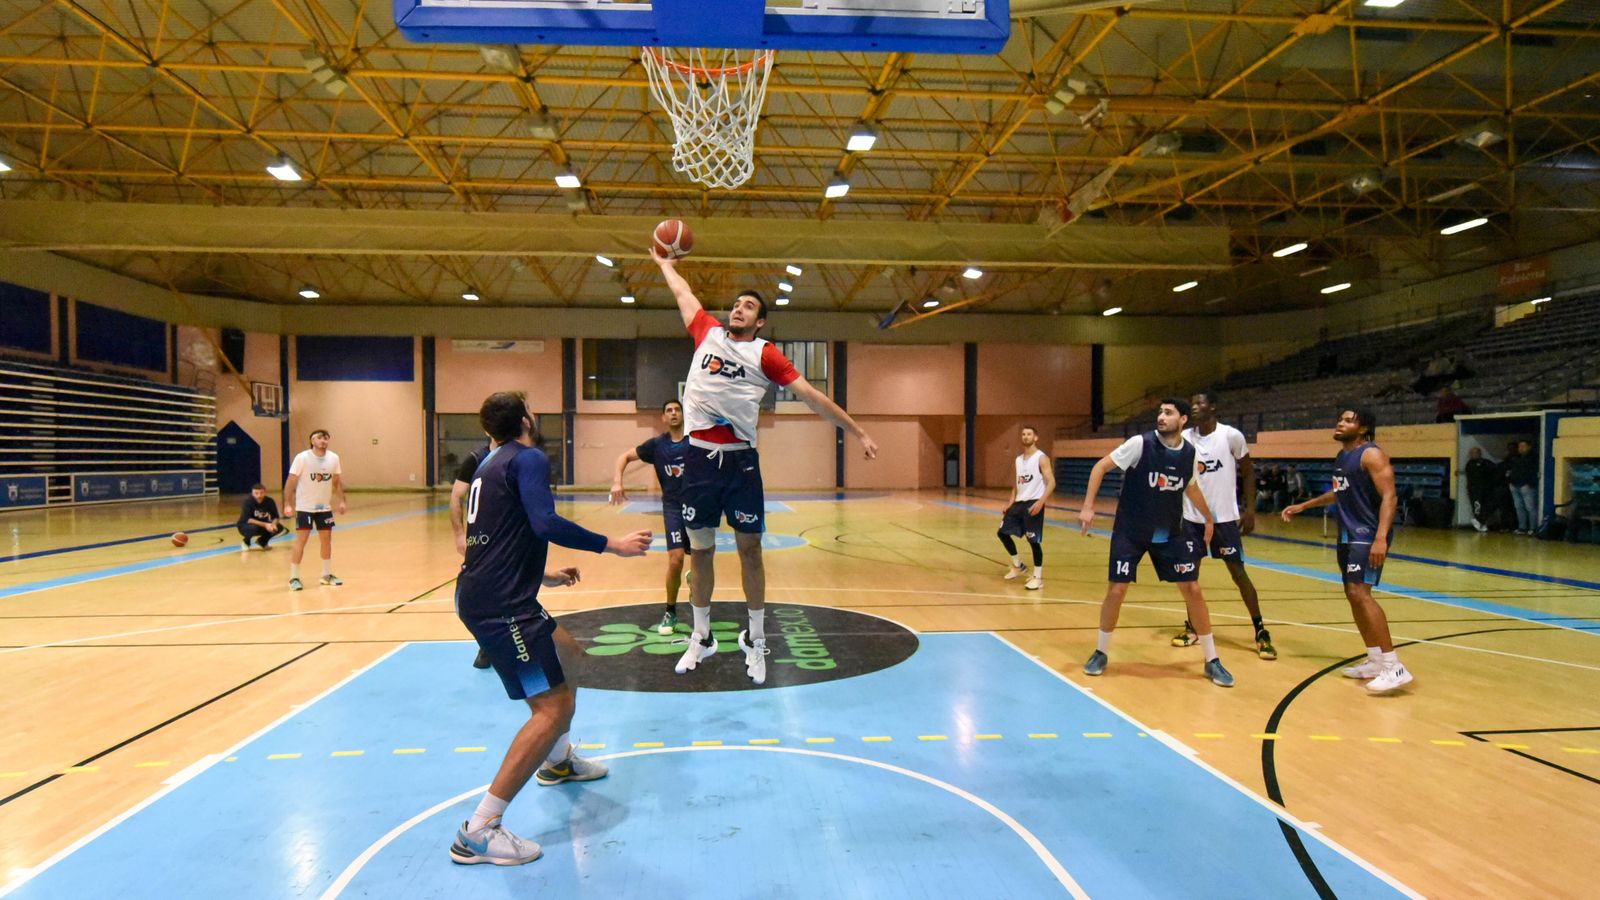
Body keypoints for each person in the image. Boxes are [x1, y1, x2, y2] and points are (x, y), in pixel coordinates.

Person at [652, 243, 878, 685]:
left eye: (749, 306)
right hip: (698, 462)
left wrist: (858, 431)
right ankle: (702, 636)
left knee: (750, 551)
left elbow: (814, 398)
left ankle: (755, 639)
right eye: (736, 304)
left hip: (740, 466)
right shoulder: (707, 334)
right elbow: (683, 294)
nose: (738, 309)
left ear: (760, 321)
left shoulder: (765, 355)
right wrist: (664, 265)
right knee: (700, 552)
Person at [449, 391, 651, 867]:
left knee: (570, 656)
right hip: (503, 607)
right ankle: (479, 829)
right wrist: (614, 545)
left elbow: (495, 540)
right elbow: (544, 521)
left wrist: (542, 576)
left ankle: (558, 760)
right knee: (551, 706)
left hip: (490, 593)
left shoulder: (487, 464)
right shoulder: (529, 458)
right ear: (526, 419)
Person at [1077, 398, 1234, 688]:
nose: (1161, 417)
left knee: (1193, 589)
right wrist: (1088, 506)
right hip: (1131, 531)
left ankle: (1212, 660)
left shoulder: (1189, 453)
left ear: (1183, 419)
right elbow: (1100, 467)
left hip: (1169, 533)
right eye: (1160, 412)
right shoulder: (1140, 444)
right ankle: (1100, 652)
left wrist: (1209, 518)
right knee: (1117, 590)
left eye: (1168, 413)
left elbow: (1191, 487)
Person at [1281, 407, 1412, 693]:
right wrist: (1304, 505)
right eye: (1339, 418)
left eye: (1348, 420)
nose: (1340, 423)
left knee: (1360, 593)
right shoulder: (1343, 457)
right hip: (1348, 534)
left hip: (1367, 534)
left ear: (1363, 428)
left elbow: (1390, 496)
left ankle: (1394, 666)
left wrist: (1380, 538)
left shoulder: (1371, 454)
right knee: (1352, 595)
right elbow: (1341, 492)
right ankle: (1376, 659)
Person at [1171, 392, 1274, 660]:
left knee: (1239, 574)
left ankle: (1261, 631)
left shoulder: (1231, 436)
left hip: (1225, 519)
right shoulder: (1184, 438)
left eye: (1200, 402)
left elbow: (1248, 472)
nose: (1194, 407)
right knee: (1188, 577)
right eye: (1191, 403)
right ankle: (1193, 627)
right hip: (1191, 519)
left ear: (1213, 406)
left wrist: (1250, 509)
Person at [610, 399, 692, 634]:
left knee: (700, 562)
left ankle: (697, 593)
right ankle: (670, 611)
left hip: (698, 506)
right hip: (674, 507)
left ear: (684, 415)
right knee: (675, 559)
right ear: (664, 418)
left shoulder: (695, 442)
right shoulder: (657, 445)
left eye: (677, 409)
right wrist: (617, 482)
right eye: (669, 410)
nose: (674, 413)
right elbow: (623, 457)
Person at [283, 429, 346, 591]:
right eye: (319, 438)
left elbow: (337, 481)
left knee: (326, 540)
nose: (323, 441)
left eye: (326, 438)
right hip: (305, 507)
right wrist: (287, 503)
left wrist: (342, 500)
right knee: (301, 541)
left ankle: (326, 575)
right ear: (312, 441)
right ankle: (294, 577)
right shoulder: (302, 458)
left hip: (324, 507)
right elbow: (291, 481)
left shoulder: (334, 458)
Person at [452, 437, 494, 668]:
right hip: (482, 539)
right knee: (476, 595)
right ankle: (486, 644)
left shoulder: (522, 456)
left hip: (510, 535)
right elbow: (457, 495)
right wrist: (459, 534)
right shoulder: (476, 458)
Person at [998, 425, 1054, 591]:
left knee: (1033, 541)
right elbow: (1016, 485)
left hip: (1033, 502)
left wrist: (1041, 502)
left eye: (1029, 434)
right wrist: (1010, 502)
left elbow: (1051, 482)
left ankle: (1038, 577)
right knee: (1002, 533)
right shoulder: (1018, 460)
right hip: (1018, 503)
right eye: (1023, 434)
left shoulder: (1041, 458)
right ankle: (1017, 565)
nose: (1026, 436)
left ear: (1035, 437)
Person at [236, 483, 284, 551]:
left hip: (262, 524)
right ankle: (246, 542)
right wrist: (266, 525)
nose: (259, 495)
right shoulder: (247, 502)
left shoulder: (270, 501)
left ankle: (262, 541)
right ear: (252, 493)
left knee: (279, 527)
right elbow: (249, 520)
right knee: (254, 527)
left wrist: (273, 524)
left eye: (261, 493)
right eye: (256, 493)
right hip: (245, 526)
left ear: (265, 492)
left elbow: (276, 517)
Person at [1508, 439, 1539, 535]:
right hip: (1515, 485)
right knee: (1519, 507)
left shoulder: (1533, 458)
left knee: (1530, 507)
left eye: (1523, 446)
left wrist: (1529, 483)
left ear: (1529, 447)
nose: (1521, 448)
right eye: (1519, 446)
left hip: (1526, 486)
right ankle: (1522, 527)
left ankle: (1533, 528)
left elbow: (1533, 472)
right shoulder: (1515, 458)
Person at [1463, 447, 1496, 533]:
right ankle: (1478, 520)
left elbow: (1494, 472)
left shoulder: (1487, 463)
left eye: (1474, 453)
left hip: (1486, 489)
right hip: (1474, 490)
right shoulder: (1469, 464)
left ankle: (1482, 521)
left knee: (1488, 505)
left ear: (1479, 453)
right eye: (1471, 453)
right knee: (1477, 506)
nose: (1472, 455)